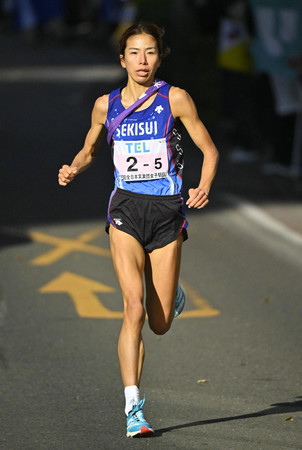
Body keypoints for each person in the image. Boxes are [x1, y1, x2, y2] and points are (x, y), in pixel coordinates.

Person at [58, 22, 219, 438]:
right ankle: (134, 408)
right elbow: (89, 149)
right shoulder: (105, 105)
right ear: (122, 58)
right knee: (133, 308)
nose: (142, 60)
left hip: (167, 212)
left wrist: (203, 184)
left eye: (150, 52)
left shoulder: (175, 98)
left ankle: (172, 293)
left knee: (160, 322)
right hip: (125, 209)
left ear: (159, 57)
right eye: (134, 52)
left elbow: (209, 148)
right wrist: (74, 167)